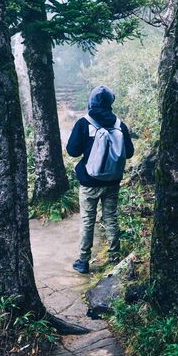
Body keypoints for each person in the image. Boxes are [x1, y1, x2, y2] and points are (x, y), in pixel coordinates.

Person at [66, 85, 134, 274]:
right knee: (110, 217)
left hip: (89, 182)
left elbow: (72, 151)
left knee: (88, 220)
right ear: (111, 102)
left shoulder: (84, 122)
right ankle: (114, 257)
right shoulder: (120, 124)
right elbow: (129, 153)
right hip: (112, 181)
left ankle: (84, 261)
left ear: (91, 101)